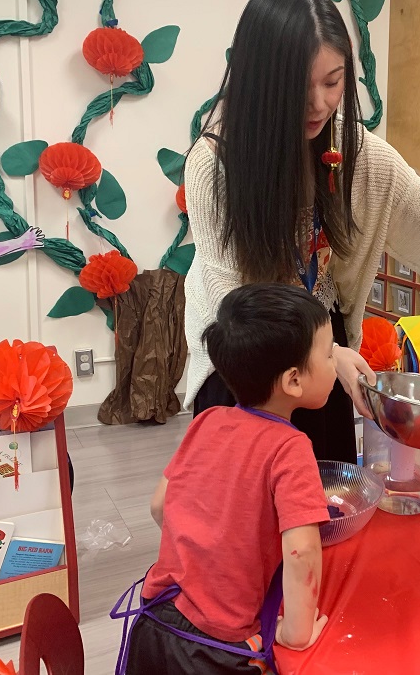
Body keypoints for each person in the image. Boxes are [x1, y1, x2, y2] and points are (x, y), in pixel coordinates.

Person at [183, 0, 420, 462]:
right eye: (298, 87)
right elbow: (236, 310)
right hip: (244, 364)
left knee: (327, 489)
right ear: (261, 80)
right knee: (253, 493)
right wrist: (327, 354)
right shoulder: (216, 165)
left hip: (323, 356)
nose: (319, 104)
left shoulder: (355, 151)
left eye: (333, 82)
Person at [115, 284, 334, 673]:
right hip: (216, 649)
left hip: (154, 623)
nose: (335, 363)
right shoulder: (291, 448)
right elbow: (301, 551)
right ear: (293, 381)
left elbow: (160, 505)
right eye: (330, 354)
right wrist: (296, 633)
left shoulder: (207, 420)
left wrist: (207, 554)